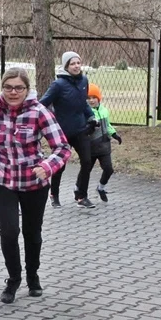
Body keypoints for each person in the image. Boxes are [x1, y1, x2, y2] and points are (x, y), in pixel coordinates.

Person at [0, 68, 71, 304]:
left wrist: (47, 166)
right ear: (1, 88)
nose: (13, 92)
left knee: (32, 232)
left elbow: (63, 148)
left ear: (27, 90)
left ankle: (32, 275)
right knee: (9, 231)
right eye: (8, 87)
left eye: (19, 88)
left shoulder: (39, 112)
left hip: (33, 181)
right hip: (2, 180)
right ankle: (13, 279)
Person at [39, 51, 97, 208]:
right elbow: (42, 104)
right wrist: (41, 121)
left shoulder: (84, 80)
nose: (76, 66)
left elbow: (83, 103)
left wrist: (91, 117)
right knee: (61, 164)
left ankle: (81, 195)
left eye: (78, 63)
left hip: (81, 129)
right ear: (66, 66)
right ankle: (54, 194)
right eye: (73, 63)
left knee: (87, 161)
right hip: (62, 132)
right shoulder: (58, 85)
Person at [87, 83, 122, 202]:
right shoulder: (86, 112)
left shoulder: (104, 110)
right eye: (88, 98)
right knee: (86, 170)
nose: (91, 100)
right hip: (91, 147)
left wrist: (114, 134)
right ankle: (78, 190)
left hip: (104, 146)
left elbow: (107, 125)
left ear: (98, 98)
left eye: (94, 97)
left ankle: (101, 188)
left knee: (108, 169)